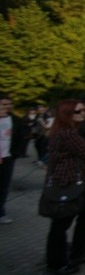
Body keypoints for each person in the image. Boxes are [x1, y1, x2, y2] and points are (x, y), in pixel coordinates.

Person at [43, 100, 85, 275]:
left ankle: (78, 252)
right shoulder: (67, 133)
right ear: (67, 114)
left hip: (72, 181)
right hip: (67, 182)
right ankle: (56, 263)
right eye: (78, 111)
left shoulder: (64, 131)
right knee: (61, 222)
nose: (82, 113)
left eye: (83, 110)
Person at [0, 93, 30, 224]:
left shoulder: (16, 120)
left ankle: (0, 213)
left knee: (3, 187)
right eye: (4, 104)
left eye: (9, 104)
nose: (7, 107)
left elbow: (21, 138)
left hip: (7, 158)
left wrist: (15, 154)